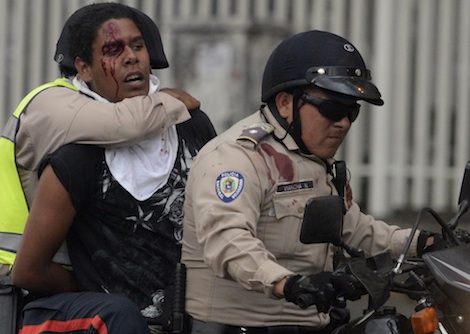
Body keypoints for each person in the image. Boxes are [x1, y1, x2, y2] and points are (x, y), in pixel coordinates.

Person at [181, 30, 437, 333]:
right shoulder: (236, 159)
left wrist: (422, 243)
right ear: (286, 103)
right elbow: (228, 241)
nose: (343, 122)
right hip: (239, 327)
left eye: (351, 111)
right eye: (332, 109)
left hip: (312, 323)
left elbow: (352, 229)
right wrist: (287, 283)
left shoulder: (310, 158)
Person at [12, 3, 216, 333]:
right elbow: (29, 271)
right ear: (85, 69)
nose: (131, 57)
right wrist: (102, 294)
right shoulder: (76, 154)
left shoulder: (192, 126)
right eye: (112, 50)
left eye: (137, 46)